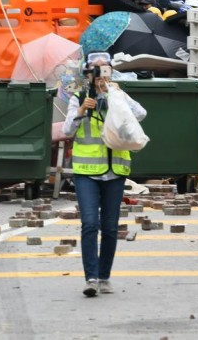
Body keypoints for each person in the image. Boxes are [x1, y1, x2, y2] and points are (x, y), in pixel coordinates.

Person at [63, 51, 147, 297]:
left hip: (115, 171)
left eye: (105, 69)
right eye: (96, 70)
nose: (101, 75)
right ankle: (90, 278)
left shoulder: (117, 95)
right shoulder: (79, 97)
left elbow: (141, 113)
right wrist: (81, 110)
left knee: (110, 228)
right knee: (90, 223)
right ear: (88, 73)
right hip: (86, 172)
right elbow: (67, 130)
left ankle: (104, 276)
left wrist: (117, 97)